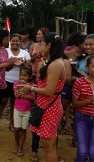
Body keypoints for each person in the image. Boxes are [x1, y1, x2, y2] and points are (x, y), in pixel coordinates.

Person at [17, 32, 72, 162]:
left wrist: (29, 88)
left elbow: (49, 91)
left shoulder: (55, 65)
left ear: (49, 46)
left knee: (49, 147)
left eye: (41, 43)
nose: (38, 46)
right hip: (44, 107)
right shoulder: (50, 63)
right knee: (47, 144)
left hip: (50, 109)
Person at [0, 34, 31, 131]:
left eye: (17, 41)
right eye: (13, 41)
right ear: (10, 41)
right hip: (6, 80)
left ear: (20, 42)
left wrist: (21, 63)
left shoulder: (25, 53)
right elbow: (2, 64)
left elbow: (28, 68)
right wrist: (11, 62)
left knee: (14, 103)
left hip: (19, 82)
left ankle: (12, 124)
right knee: (2, 102)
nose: (15, 43)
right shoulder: (5, 51)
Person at [72, 55, 94, 162]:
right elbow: (75, 104)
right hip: (82, 119)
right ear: (87, 67)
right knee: (82, 151)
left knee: (93, 153)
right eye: (93, 66)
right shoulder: (80, 82)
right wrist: (89, 101)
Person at [12, 65, 35, 157]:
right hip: (17, 109)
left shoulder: (32, 86)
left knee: (24, 130)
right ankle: (16, 144)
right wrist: (24, 91)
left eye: (25, 75)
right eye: (21, 75)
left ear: (29, 76)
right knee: (17, 129)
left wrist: (24, 92)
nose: (22, 77)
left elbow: (33, 98)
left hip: (27, 111)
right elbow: (16, 96)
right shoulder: (16, 84)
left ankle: (20, 147)